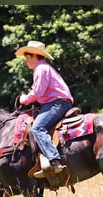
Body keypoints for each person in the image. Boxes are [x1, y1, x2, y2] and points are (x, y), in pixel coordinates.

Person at [15, 41, 74, 178]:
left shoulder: (41, 69)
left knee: (37, 128)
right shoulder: (44, 68)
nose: (26, 61)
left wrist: (24, 99)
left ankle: (54, 160)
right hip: (57, 103)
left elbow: (37, 92)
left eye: (27, 58)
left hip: (56, 104)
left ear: (34, 56)